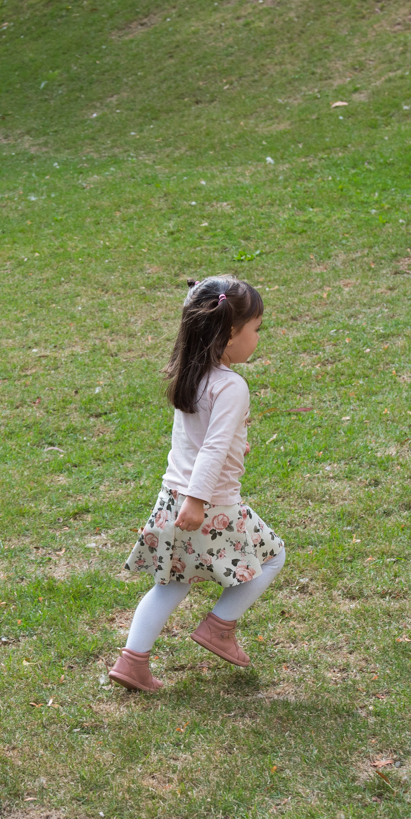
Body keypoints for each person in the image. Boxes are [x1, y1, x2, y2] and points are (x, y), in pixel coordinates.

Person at [110, 276, 285, 692]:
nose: (258, 338)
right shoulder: (232, 385)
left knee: (171, 582)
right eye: (256, 329)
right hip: (210, 505)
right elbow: (211, 450)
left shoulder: (191, 373)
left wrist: (222, 462)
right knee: (273, 555)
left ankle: (132, 661)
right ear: (228, 333)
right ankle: (220, 626)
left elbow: (199, 440)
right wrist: (199, 500)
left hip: (172, 497)